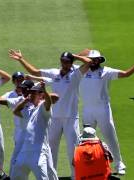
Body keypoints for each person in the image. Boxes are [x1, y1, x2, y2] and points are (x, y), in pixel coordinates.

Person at [9, 49, 91, 177]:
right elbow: (34, 71)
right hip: (54, 118)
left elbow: (89, 62)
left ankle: (75, 177)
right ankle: (52, 176)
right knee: (50, 151)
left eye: (67, 61)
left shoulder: (77, 74)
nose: (64, 63)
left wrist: (74, 56)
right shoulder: (54, 73)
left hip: (71, 118)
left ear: (71, 62)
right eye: (62, 61)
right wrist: (21, 59)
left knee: (73, 150)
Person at [78, 49, 134, 175]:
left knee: (110, 136)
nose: (94, 61)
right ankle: (86, 166)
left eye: (96, 59)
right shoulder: (80, 71)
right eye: (92, 59)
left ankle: (119, 164)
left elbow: (125, 74)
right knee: (85, 140)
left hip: (103, 109)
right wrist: (82, 54)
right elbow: (72, 59)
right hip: (87, 110)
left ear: (100, 60)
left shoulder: (106, 71)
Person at [11, 82, 58, 180]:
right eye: (30, 93)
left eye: (34, 93)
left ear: (41, 95)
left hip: (38, 152)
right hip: (24, 151)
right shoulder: (30, 110)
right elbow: (16, 111)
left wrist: (45, 90)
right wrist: (25, 101)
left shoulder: (43, 108)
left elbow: (49, 103)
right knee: (15, 176)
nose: (31, 95)